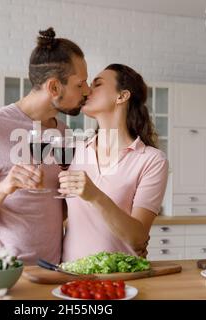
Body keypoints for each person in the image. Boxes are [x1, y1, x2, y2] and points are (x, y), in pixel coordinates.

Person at [0, 27, 90, 265]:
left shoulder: (63, 132)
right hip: (6, 273)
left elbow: (57, 206)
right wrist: (5, 187)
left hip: (53, 272)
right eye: (80, 84)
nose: (87, 91)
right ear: (54, 87)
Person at [59, 64, 169, 262]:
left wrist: (95, 195)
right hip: (69, 274)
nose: (87, 91)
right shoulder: (76, 150)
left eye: (97, 84)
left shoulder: (151, 160)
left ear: (122, 96)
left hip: (119, 279)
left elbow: (138, 237)